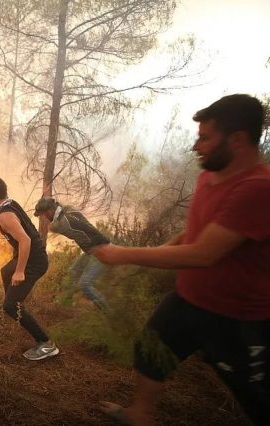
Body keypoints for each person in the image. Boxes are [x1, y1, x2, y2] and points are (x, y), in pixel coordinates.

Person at [93, 94, 270, 425]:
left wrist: (122, 255)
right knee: (150, 352)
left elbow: (203, 254)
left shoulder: (257, 189)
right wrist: (161, 250)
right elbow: (196, 233)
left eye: (205, 138)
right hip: (188, 300)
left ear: (238, 140)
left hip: (237, 318)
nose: (196, 146)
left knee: (257, 397)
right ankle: (140, 416)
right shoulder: (210, 175)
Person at [0, 176, 59, 360]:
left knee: (10, 302)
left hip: (34, 261)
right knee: (5, 271)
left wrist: (20, 271)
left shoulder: (5, 215)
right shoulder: (9, 203)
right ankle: (14, 303)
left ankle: (46, 344)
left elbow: (25, 240)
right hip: (34, 255)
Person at [33, 197, 110, 310]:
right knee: (73, 271)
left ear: (49, 211)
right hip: (91, 250)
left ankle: (107, 312)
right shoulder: (68, 210)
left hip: (100, 249)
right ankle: (69, 302)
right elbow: (63, 211)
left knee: (84, 284)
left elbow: (54, 227)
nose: (44, 218)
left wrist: (106, 246)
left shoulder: (63, 223)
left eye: (44, 214)